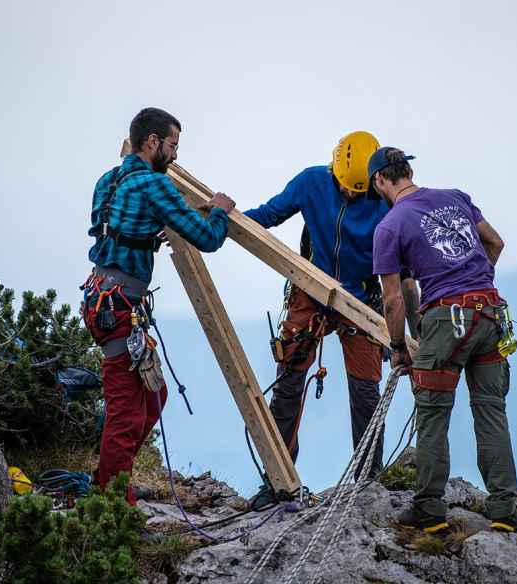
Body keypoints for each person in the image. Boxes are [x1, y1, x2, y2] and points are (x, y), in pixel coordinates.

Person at [244, 131, 419, 507]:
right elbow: (269, 215)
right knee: (289, 378)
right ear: (335, 172)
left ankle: (367, 480)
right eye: (347, 190)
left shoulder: (384, 205)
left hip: (362, 296)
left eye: (362, 191)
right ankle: (277, 478)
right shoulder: (313, 183)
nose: (354, 196)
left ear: (375, 180)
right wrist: (223, 221)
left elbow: (404, 275)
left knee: (366, 391)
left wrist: (412, 333)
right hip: (311, 287)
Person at [83, 107, 236, 505]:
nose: (175, 155)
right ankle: (113, 504)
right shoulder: (155, 186)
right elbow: (207, 238)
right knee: (126, 411)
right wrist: (220, 210)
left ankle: (114, 478)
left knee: (152, 396)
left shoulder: (109, 181)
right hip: (118, 307)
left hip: (104, 295)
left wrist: (153, 236)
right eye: (172, 146)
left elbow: (115, 232)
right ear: (152, 142)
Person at [369, 147, 517, 534]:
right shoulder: (456, 198)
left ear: (379, 180)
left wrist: (398, 346)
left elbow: (392, 299)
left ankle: (429, 510)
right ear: (407, 170)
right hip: (491, 314)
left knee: (433, 413)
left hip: (447, 320)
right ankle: (505, 509)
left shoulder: (390, 226)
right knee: (491, 409)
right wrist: (473, 281)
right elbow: (495, 243)